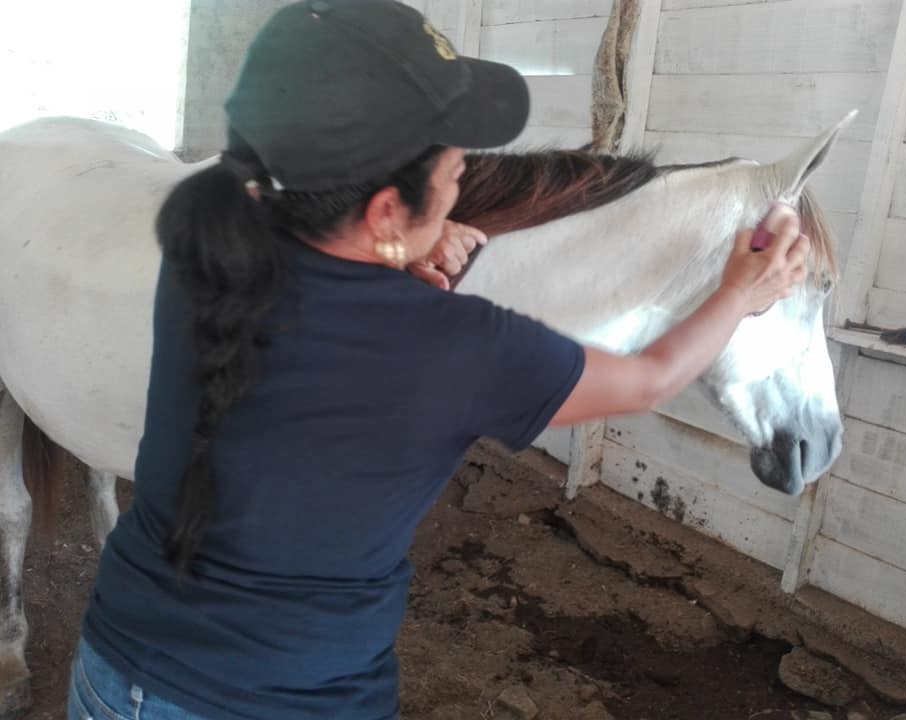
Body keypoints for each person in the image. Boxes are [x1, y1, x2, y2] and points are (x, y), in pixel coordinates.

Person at [68, 2, 810, 719]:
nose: (464, 186)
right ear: (385, 209)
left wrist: (398, 254)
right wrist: (742, 293)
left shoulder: (206, 233)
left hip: (118, 664)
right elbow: (652, 380)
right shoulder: (456, 347)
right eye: (457, 172)